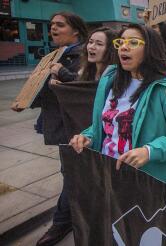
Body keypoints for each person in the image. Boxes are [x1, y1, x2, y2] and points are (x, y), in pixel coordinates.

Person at [69, 24, 166, 191]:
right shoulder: (110, 81)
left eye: (133, 42)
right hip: (109, 178)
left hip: (150, 187)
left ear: (150, 49)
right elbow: (107, 124)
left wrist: (149, 152)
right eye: (121, 42)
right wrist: (88, 137)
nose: (124, 47)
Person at [36, 11, 88, 246]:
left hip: (76, 125)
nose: (53, 29)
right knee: (70, 173)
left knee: (72, 174)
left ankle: (61, 222)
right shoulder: (55, 55)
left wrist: (62, 73)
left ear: (75, 30)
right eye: (51, 25)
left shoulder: (84, 53)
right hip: (60, 122)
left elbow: (86, 85)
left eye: (59, 25)